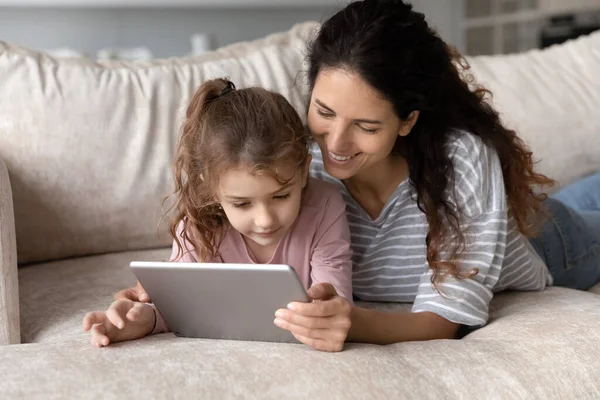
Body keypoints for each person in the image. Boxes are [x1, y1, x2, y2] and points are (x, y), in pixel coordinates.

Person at [117, 0, 600, 351]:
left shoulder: (462, 163)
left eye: (367, 127)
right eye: (324, 112)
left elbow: (450, 317)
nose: (335, 144)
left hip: (552, 242)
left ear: (407, 121)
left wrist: (352, 322)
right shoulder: (292, 163)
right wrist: (158, 302)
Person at [83, 78, 353, 351]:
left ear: (305, 170)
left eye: (281, 196)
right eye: (242, 204)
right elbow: (181, 306)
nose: (265, 220)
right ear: (210, 187)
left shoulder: (325, 205)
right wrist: (144, 320)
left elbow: (338, 303)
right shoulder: (198, 226)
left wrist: (328, 313)